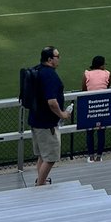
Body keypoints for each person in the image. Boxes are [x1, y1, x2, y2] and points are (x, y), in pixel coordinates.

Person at [28, 46, 72, 186]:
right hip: (46, 124)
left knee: (43, 155)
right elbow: (52, 102)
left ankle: (42, 181)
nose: (59, 59)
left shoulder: (37, 70)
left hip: (35, 119)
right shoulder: (49, 75)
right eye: (57, 56)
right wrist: (63, 114)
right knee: (51, 157)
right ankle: (40, 185)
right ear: (49, 59)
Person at [81, 55, 110, 163]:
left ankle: (91, 156)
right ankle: (99, 156)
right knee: (101, 131)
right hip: (102, 105)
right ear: (101, 65)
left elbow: (84, 89)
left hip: (90, 105)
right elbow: (107, 86)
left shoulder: (86, 74)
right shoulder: (107, 73)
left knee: (89, 131)